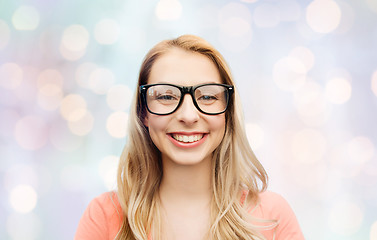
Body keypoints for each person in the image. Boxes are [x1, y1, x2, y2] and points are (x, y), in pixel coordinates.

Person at [75, 35, 305, 240]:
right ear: (143, 113)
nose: (188, 115)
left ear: (227, 112)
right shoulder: (104, 216)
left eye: (207, 96)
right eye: (166, 96)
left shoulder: (272, 217)